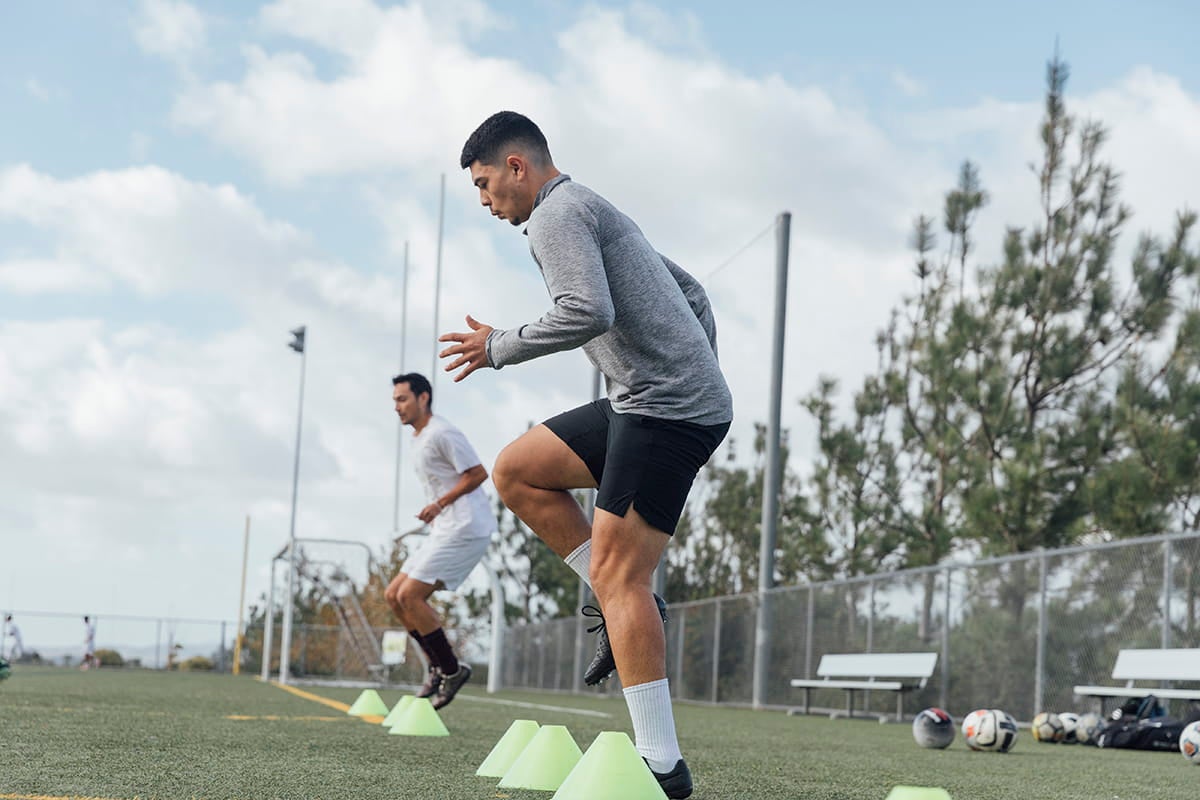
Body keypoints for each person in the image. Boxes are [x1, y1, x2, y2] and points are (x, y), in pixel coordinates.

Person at [440, 111, 732, 799]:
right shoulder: (589, 205)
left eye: (484, 184)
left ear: (517, 167)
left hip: (665, 410)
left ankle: (662, 767)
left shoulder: (554, 214)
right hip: (647, 399)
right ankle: (616, 601)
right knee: (518, 471)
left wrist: (498, 346)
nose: (484, 201)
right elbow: (692, 291)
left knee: (621, 573)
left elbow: (587, 311)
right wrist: (695, 368)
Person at [384, 372, 496, 710]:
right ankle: (437, 666)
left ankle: (451, 670)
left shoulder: (443, 432)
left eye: (402, 399)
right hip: (444, 527)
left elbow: (478, 473)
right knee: (393, 596)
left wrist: (439, 504)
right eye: (395, 401)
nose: (397, 407)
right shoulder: (418, 438)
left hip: (466, 526)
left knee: (410, 595)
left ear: (423, 398)